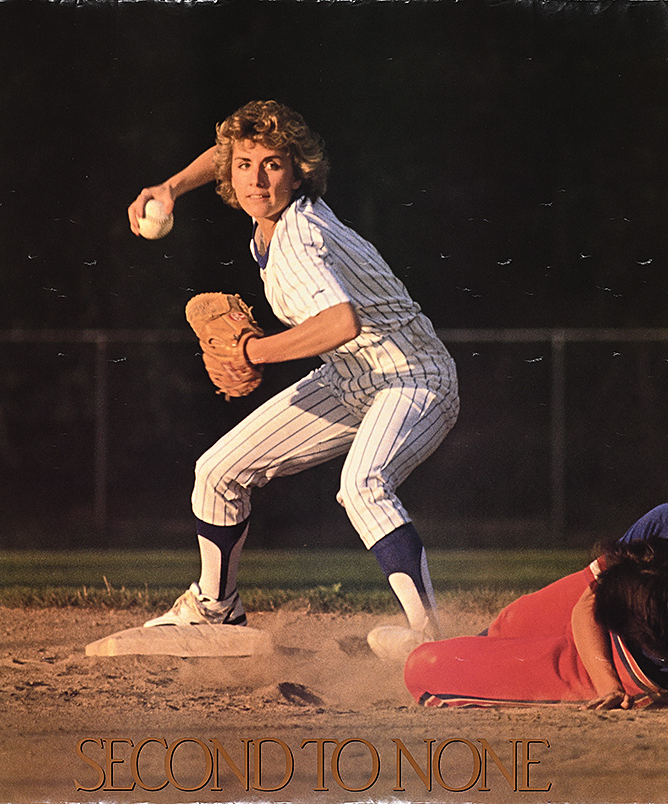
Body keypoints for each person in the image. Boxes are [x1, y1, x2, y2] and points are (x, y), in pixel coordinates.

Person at [127, 101, 459, 653]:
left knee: (362, 485)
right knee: (217, 472)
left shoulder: (298, 240)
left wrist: (253, 351)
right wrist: (169, 187)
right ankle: (216, 609)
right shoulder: (268, 209)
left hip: (413, 377)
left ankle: (430, 638)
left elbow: (340, 321)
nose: (257, 178)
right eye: (245, 165)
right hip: (351, 380)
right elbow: (225, 153)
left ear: (298, 169)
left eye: (274, 165)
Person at [403, 503, 668, 709]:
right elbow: (591, 600)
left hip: (622, 666)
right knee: (509, 622)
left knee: (424, 668)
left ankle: (464, 659)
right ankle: (481, 647)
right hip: (596, 597)